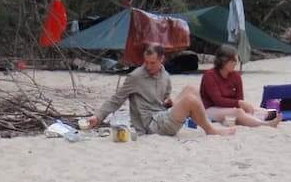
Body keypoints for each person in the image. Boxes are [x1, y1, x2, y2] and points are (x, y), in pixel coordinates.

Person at [85, 43, 235, 136]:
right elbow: (115, 100)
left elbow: (164, 100)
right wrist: (97, 117)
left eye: (152, 63)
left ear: (161, 59)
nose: (148, 66)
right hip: (150, 125)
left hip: (163, 115)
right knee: (190, 100)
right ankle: (210, 129)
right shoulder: (135, 77)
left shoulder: (165, 75)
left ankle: (205, 123)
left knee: (192, 89)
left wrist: (169, 101)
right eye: (146, 62)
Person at [199, 44, 281, 128]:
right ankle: (265, 124)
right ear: (224, 61)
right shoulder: (209, 76)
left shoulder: (236, 76)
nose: (236, 63)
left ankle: (238, 119)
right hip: (210, 109)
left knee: (265, 111)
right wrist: (239, 104)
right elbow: (218, 100)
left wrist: (243, 105)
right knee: (238, 112)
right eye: (234, 60)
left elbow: (240, 98)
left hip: (231, 108)